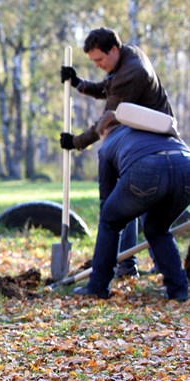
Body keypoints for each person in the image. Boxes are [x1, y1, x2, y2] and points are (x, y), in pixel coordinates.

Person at [59, 27, 176, 279]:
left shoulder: (131, 73)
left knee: (134, 202)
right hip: (139, 139)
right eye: (94, 61)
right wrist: (79, 83)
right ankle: (130, 265)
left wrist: (76, 141)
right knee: (133, 202)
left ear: (114, 49)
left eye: (99, 59)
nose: (98, 65)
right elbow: (107, 88)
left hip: (152, 144)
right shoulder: (127, 56)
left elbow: (107, 121)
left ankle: (129, 265)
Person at [73, 110, 189, 303]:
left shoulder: (108, 143)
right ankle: (178, 290)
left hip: (147, 168)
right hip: (185, 164)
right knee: (158, 229)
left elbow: (106, 196)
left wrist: (113, 218)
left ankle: (97, 287)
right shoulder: (150, 129)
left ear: (104, 131)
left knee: (110, 222)